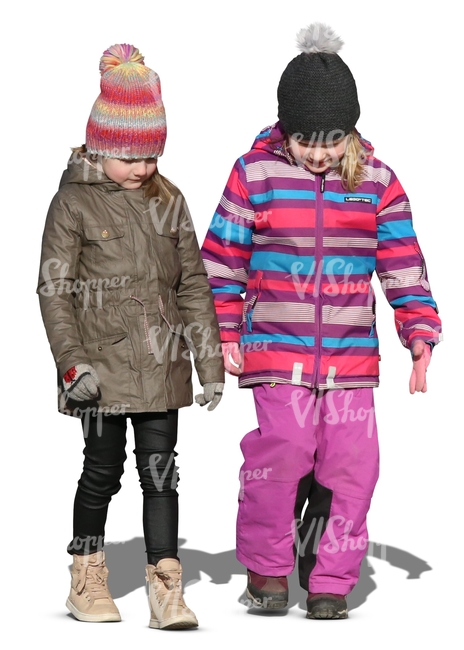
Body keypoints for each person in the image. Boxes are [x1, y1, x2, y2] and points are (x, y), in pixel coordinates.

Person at [201, 22, 442, 619]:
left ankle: (331, 578)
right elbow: (223, 261)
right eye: (305, 139)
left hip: (350, 357)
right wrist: (224, 333)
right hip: (274, 349)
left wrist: (419, 333)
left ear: (351, 130)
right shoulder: (254, 175)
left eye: (331, 140)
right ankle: (268, 572)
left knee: (352, 462)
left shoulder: (376, 182)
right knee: (283, 450)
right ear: (285, 127)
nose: (317, 152)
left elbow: (403, 261)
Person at [37, 43, 225, 629]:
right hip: (96, 368)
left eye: (150, 154)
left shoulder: (169, 200)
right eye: (126, 155)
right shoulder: (71, 202)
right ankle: (87, 571)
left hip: (163, 365)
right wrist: (72, 364)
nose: (141, 167)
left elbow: (192, 282)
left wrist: (209, 361)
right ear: (98, 145)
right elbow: (54, 289)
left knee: (162, 471)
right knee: (101, 468)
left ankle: (166, 581)